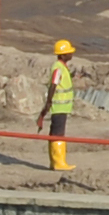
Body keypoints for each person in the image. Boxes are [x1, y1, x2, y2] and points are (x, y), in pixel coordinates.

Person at [42, 38, 79, 174]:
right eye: (69, 52)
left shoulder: (62, 67)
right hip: (59, 107)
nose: (71, 54)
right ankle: (59, 163)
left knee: (55, 133)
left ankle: (55, 162)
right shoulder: (58, 68)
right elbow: (54, 84)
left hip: (61, 107)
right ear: (63, 55)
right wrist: (48, 102)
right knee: (58, 134)